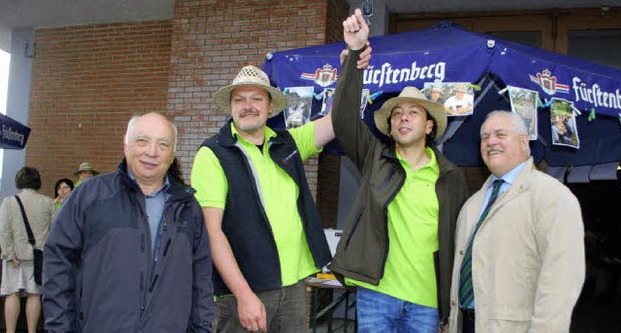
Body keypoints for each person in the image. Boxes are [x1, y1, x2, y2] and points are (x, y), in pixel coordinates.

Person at [190, 38, 371, 332]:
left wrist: (349, 69)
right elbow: (211, 233)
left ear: (270, 106)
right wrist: (243, 295)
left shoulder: (288, 143)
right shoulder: (212, 154)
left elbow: (337, 120)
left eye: (256, 98)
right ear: (231, 107)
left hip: (295, 286)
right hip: (245, 292)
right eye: (240, 100)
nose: (248, 106)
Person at [329, 9, 469, 332]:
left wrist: (449, 312)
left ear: (430, 125)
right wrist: (353, 56)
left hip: (426, 304)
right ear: (390, 128)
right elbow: (344, 121)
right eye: (397, 114)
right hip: (377, 295)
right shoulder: (375, 157)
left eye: (413, 113)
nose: (403, 118)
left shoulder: (451, 177)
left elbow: (456, 243)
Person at [43, 112, 215, 332]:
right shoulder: (90, 196)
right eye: (142, 141)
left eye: (163, 144)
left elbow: (201, 281)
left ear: (172, 155)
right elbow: (58, 262)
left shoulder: (188, 208)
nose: (152, 152)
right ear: (126, 146)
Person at [449, 111, 585, 332]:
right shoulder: (472, 205)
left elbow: (561, 282)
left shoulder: (552, 196)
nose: (491, 141)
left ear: (524, 142)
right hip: (467, 324)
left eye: (500, 134)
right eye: (485, 137)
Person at [0, 167, 56, 333]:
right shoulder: (47, 202)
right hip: (38, 256)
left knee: (12, 293)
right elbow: (54, 231)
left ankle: (10, 331)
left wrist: (9, 253)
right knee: (34, 294)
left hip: (15, 256)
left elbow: (3, 230)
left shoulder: (9, 202)